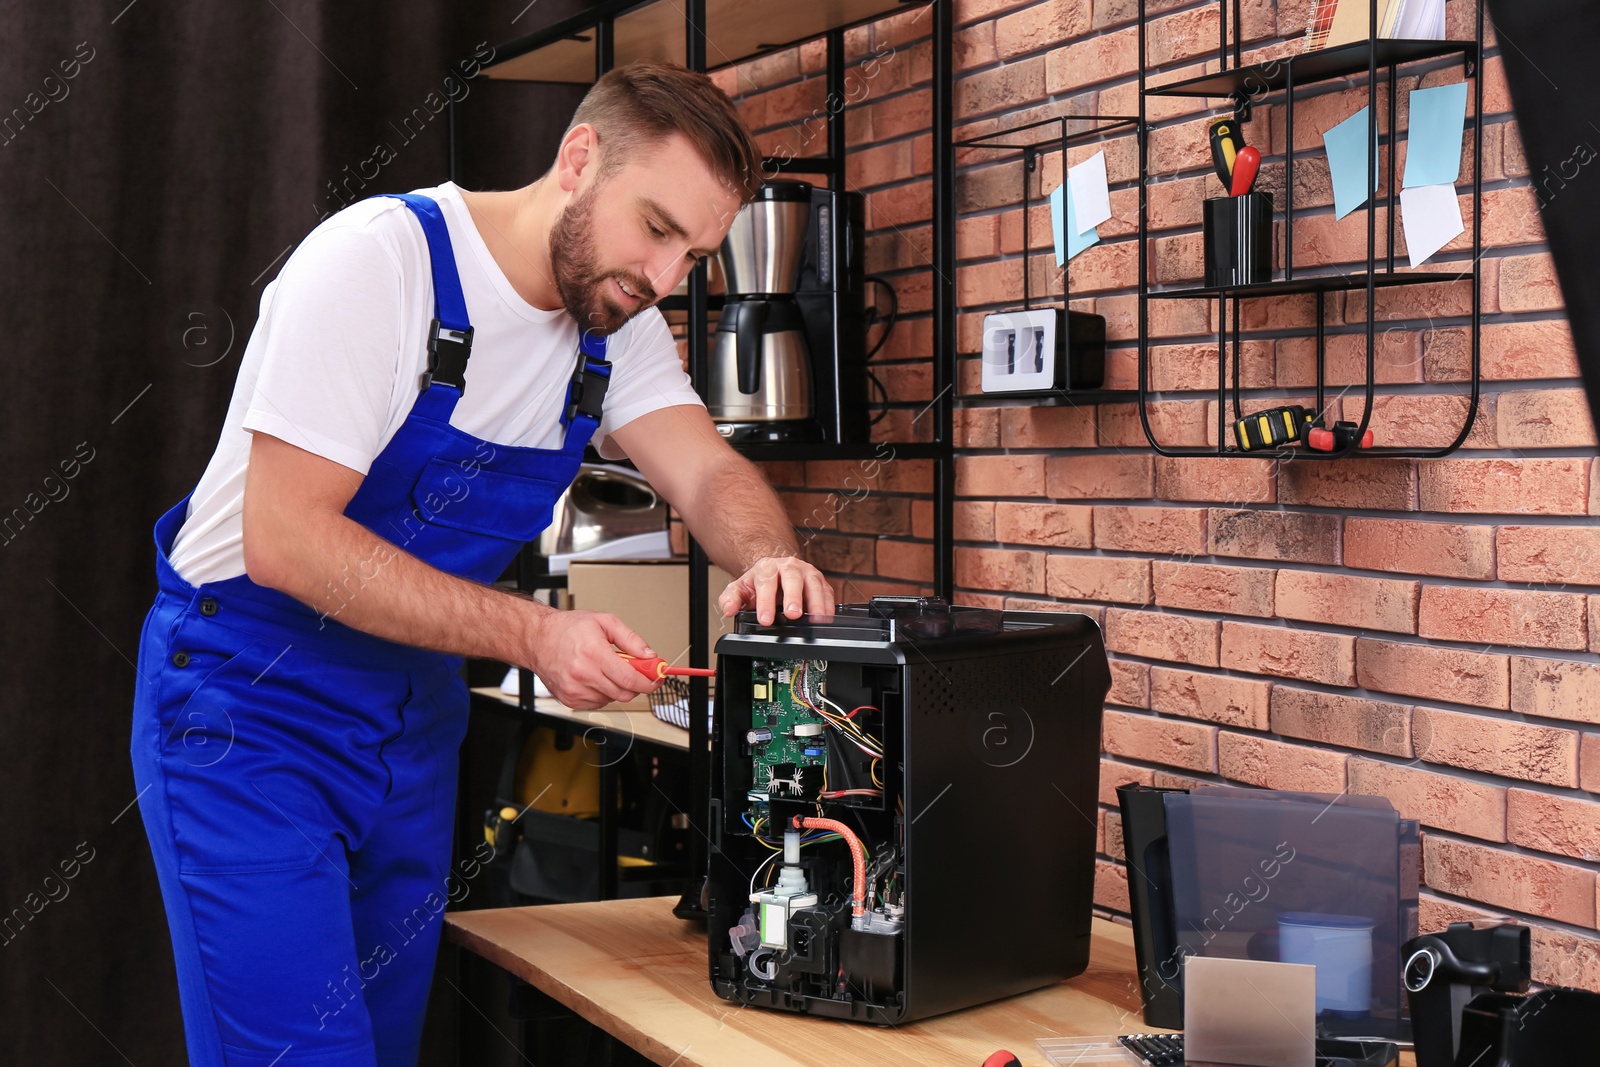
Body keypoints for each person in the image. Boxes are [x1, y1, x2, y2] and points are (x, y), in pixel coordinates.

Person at [130, 60, 835, 1067]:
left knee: (379, 1043)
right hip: (249, 712)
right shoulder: (381, 265)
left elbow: (708, 470)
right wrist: (536, 634)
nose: (667, 278)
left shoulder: (614, 323)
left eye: (697, 255)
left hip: (409, 723)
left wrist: (770, 562)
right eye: (658, 228)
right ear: (578, 159)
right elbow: (283, 539)